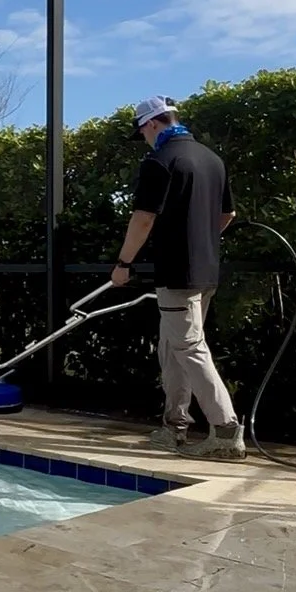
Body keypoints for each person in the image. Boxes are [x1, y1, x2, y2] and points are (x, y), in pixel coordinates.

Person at [110, 96, 245, 459]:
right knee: (173, 348)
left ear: (152, 124)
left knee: (188, 348)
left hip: (177, 274)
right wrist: (200, 240)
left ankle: (226, 429)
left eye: (142, 132)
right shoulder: (211, 159)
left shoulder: (160, 161)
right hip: (207, 272)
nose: (144, 140)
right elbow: (227, 213)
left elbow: (143, 219)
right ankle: (174, 426)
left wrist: (123, 263)